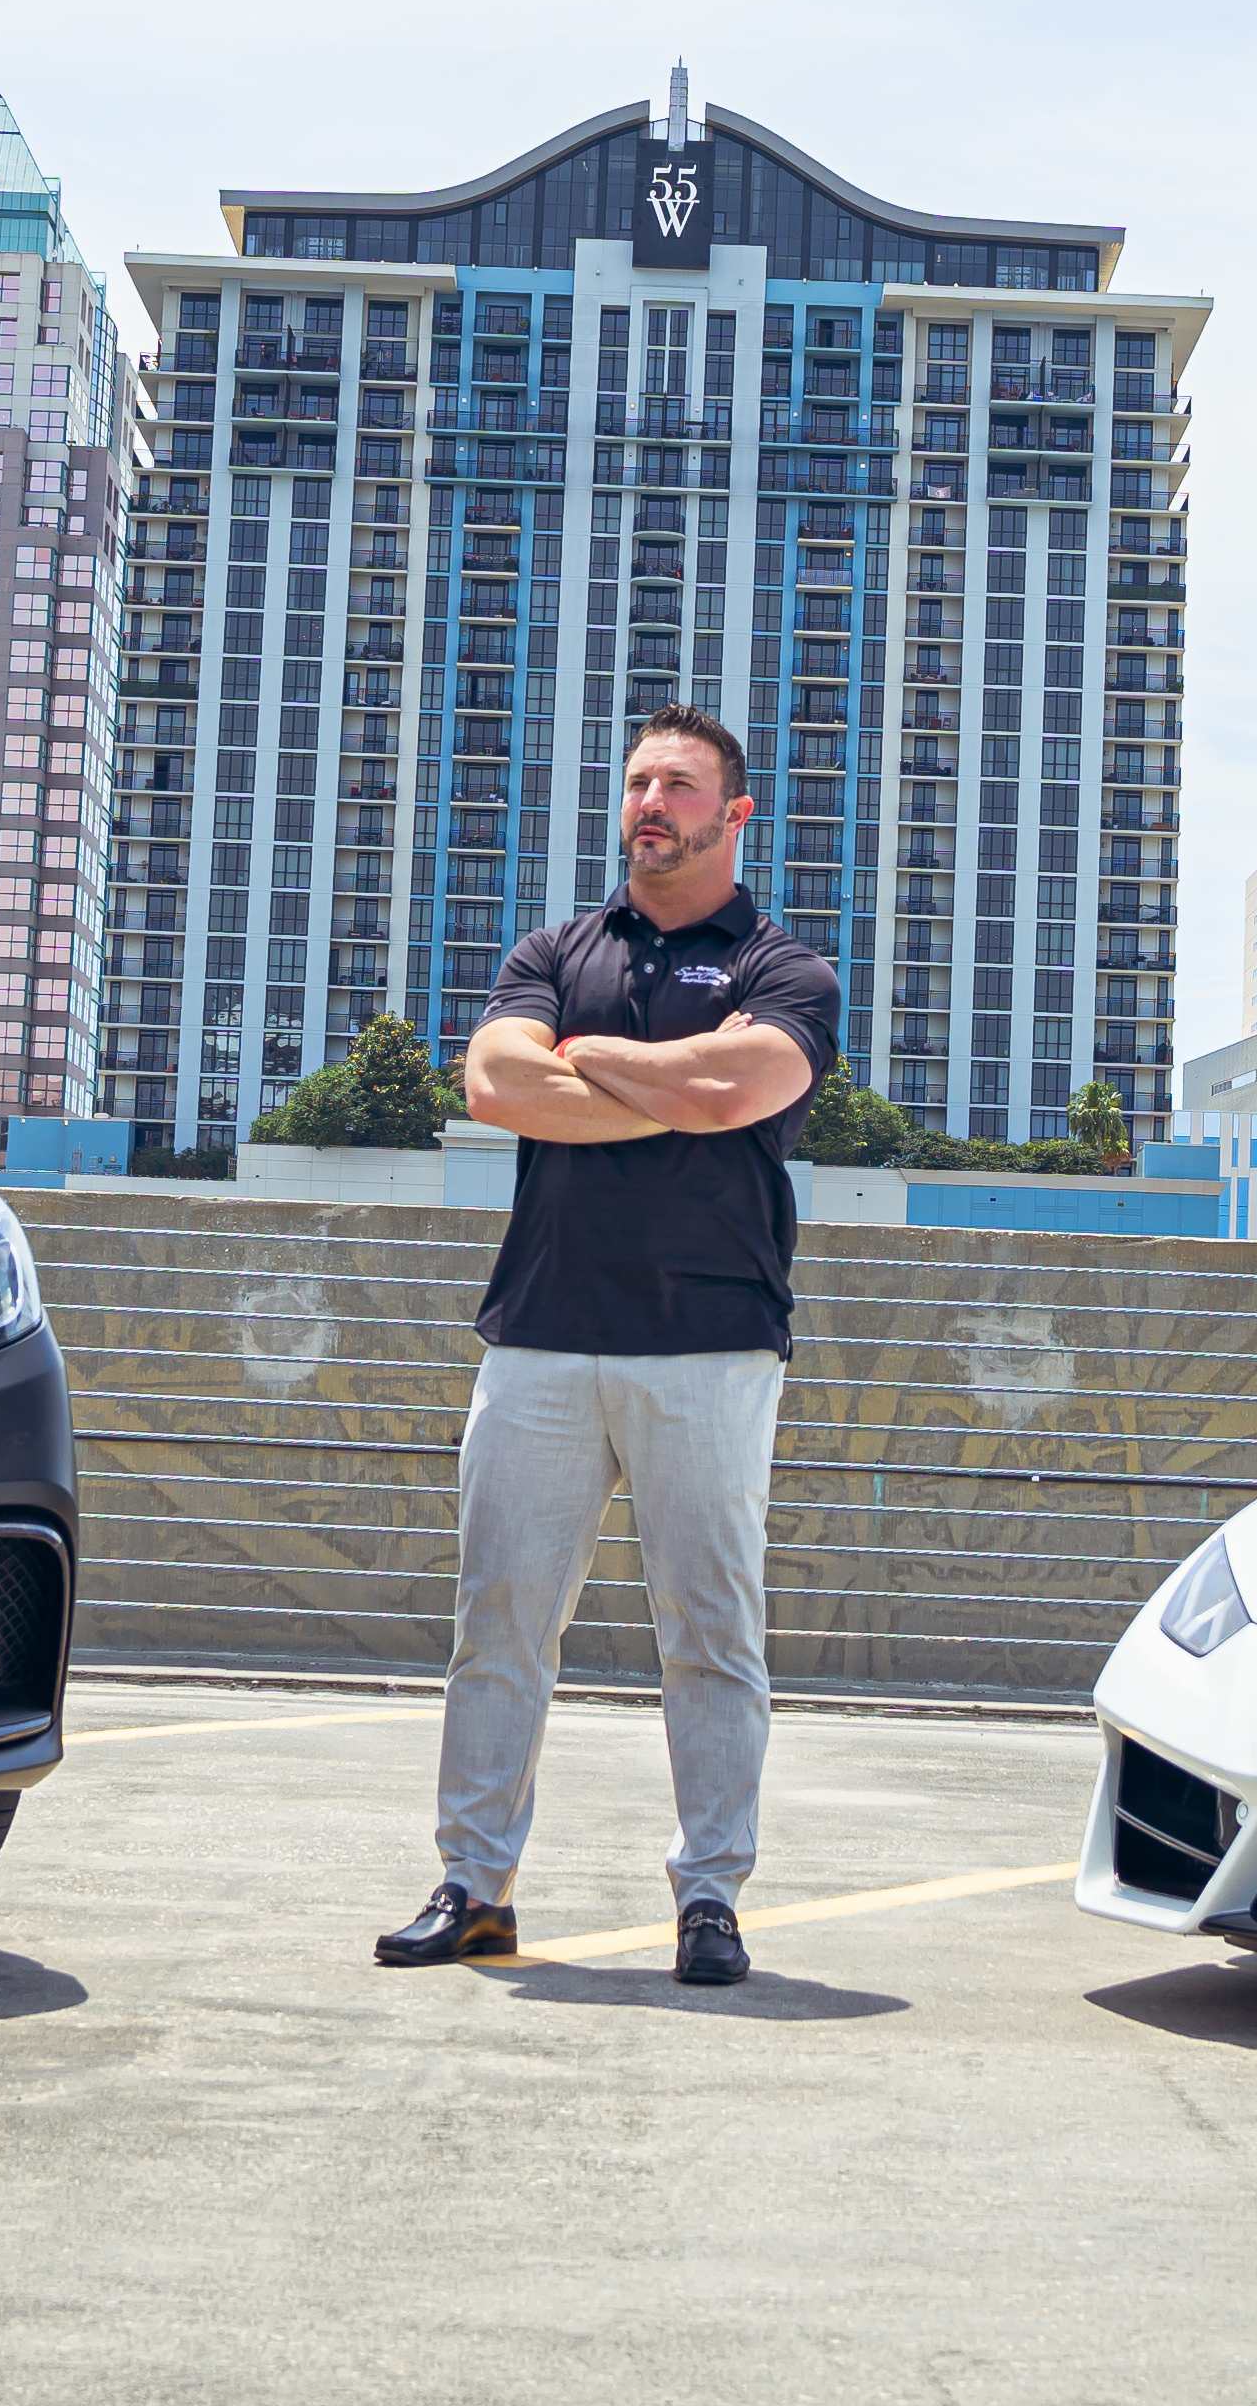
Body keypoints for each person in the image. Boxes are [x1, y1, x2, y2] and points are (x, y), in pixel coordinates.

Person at [374, 705, 837, 1989]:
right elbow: (496, 1087)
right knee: (502, 1623)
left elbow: (741, 1092)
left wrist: (612, 1067)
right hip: (541, 1339)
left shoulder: (785, 967)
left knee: (710, 1632)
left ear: (734, 814)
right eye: (637, 779)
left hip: (711, 1346)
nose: (652, 801)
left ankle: (711, 1897)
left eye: (680, 785)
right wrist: (676, 1088)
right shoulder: (552, 947)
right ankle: (475, 1884)